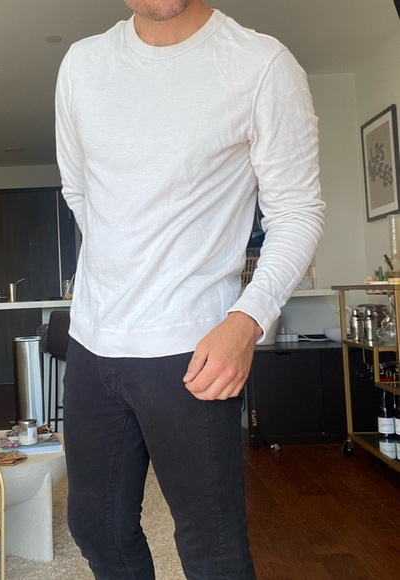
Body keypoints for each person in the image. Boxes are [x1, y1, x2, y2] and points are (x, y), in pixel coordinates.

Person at [55, 1, 324, 578]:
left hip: (193, 348)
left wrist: (247, 320)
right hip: (92, 343)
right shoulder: (81, 65)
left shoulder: (262, 64)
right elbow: (79, 191)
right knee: (96, 529)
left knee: (212, 553)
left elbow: (298, 212)